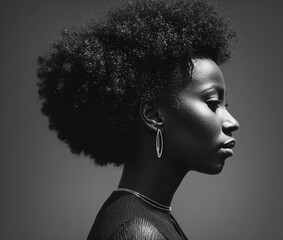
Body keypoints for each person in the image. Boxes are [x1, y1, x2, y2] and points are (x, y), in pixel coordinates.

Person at [37, 0, 240, 239]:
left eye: (224, 106)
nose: (232, 122)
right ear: (153, 115)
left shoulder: (152, 216)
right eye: (213, 104)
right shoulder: (139, 231)